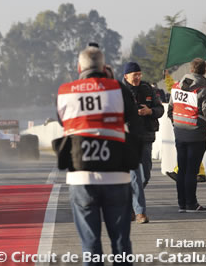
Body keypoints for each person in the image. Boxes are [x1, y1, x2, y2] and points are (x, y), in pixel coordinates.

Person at [56, 46, 140, 265]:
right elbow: (133, 118)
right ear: (104, 67)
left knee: (90, 247)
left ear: (78, 68)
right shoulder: (118, 88)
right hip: (117, 175)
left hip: (81, 176)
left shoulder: (66, 91)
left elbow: (62, 121)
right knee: (121, 244)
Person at [168, 58, 206, 213]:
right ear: (204, 71)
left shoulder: (176, 86)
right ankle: (192, 204)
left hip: (180, 132)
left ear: (191, 69)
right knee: (192, 171)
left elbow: (170, 110)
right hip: (196, 134)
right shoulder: (204, 90)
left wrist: (176, 126)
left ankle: (182, 204)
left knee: (182, 169)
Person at [121, 62, 164, 224]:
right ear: (126, 76)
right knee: (135, 176)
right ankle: (140, 212)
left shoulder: (148, 88)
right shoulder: (119, 91)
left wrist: (150, 111)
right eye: (134, 75)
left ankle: (130, 205)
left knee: (145, 175)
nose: (138, 77)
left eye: (139, 74)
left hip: (146, 136)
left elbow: (160, 109)